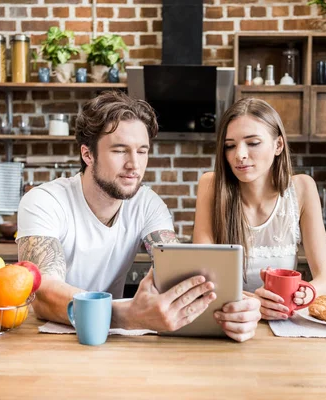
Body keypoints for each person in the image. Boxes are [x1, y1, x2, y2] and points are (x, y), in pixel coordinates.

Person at [16, 91, 260, 342]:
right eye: (120, 150)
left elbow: (175, 271)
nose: (134, 164)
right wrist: (129, 315)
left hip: (112, 343)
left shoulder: (148, 205)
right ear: (88, 155)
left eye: (142, 151)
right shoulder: (44, 201)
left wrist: (233, 310)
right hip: (46, 341)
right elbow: (42, 293)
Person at [193, 97, 326, 321]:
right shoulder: (211, 186)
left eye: (252, 143)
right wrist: (254, 304)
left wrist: (307, 293)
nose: (239, 154)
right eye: (230, 145)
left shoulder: (302, 188)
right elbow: (203, 277)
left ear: (278, 145)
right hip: (227, 322)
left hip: (282, 325)